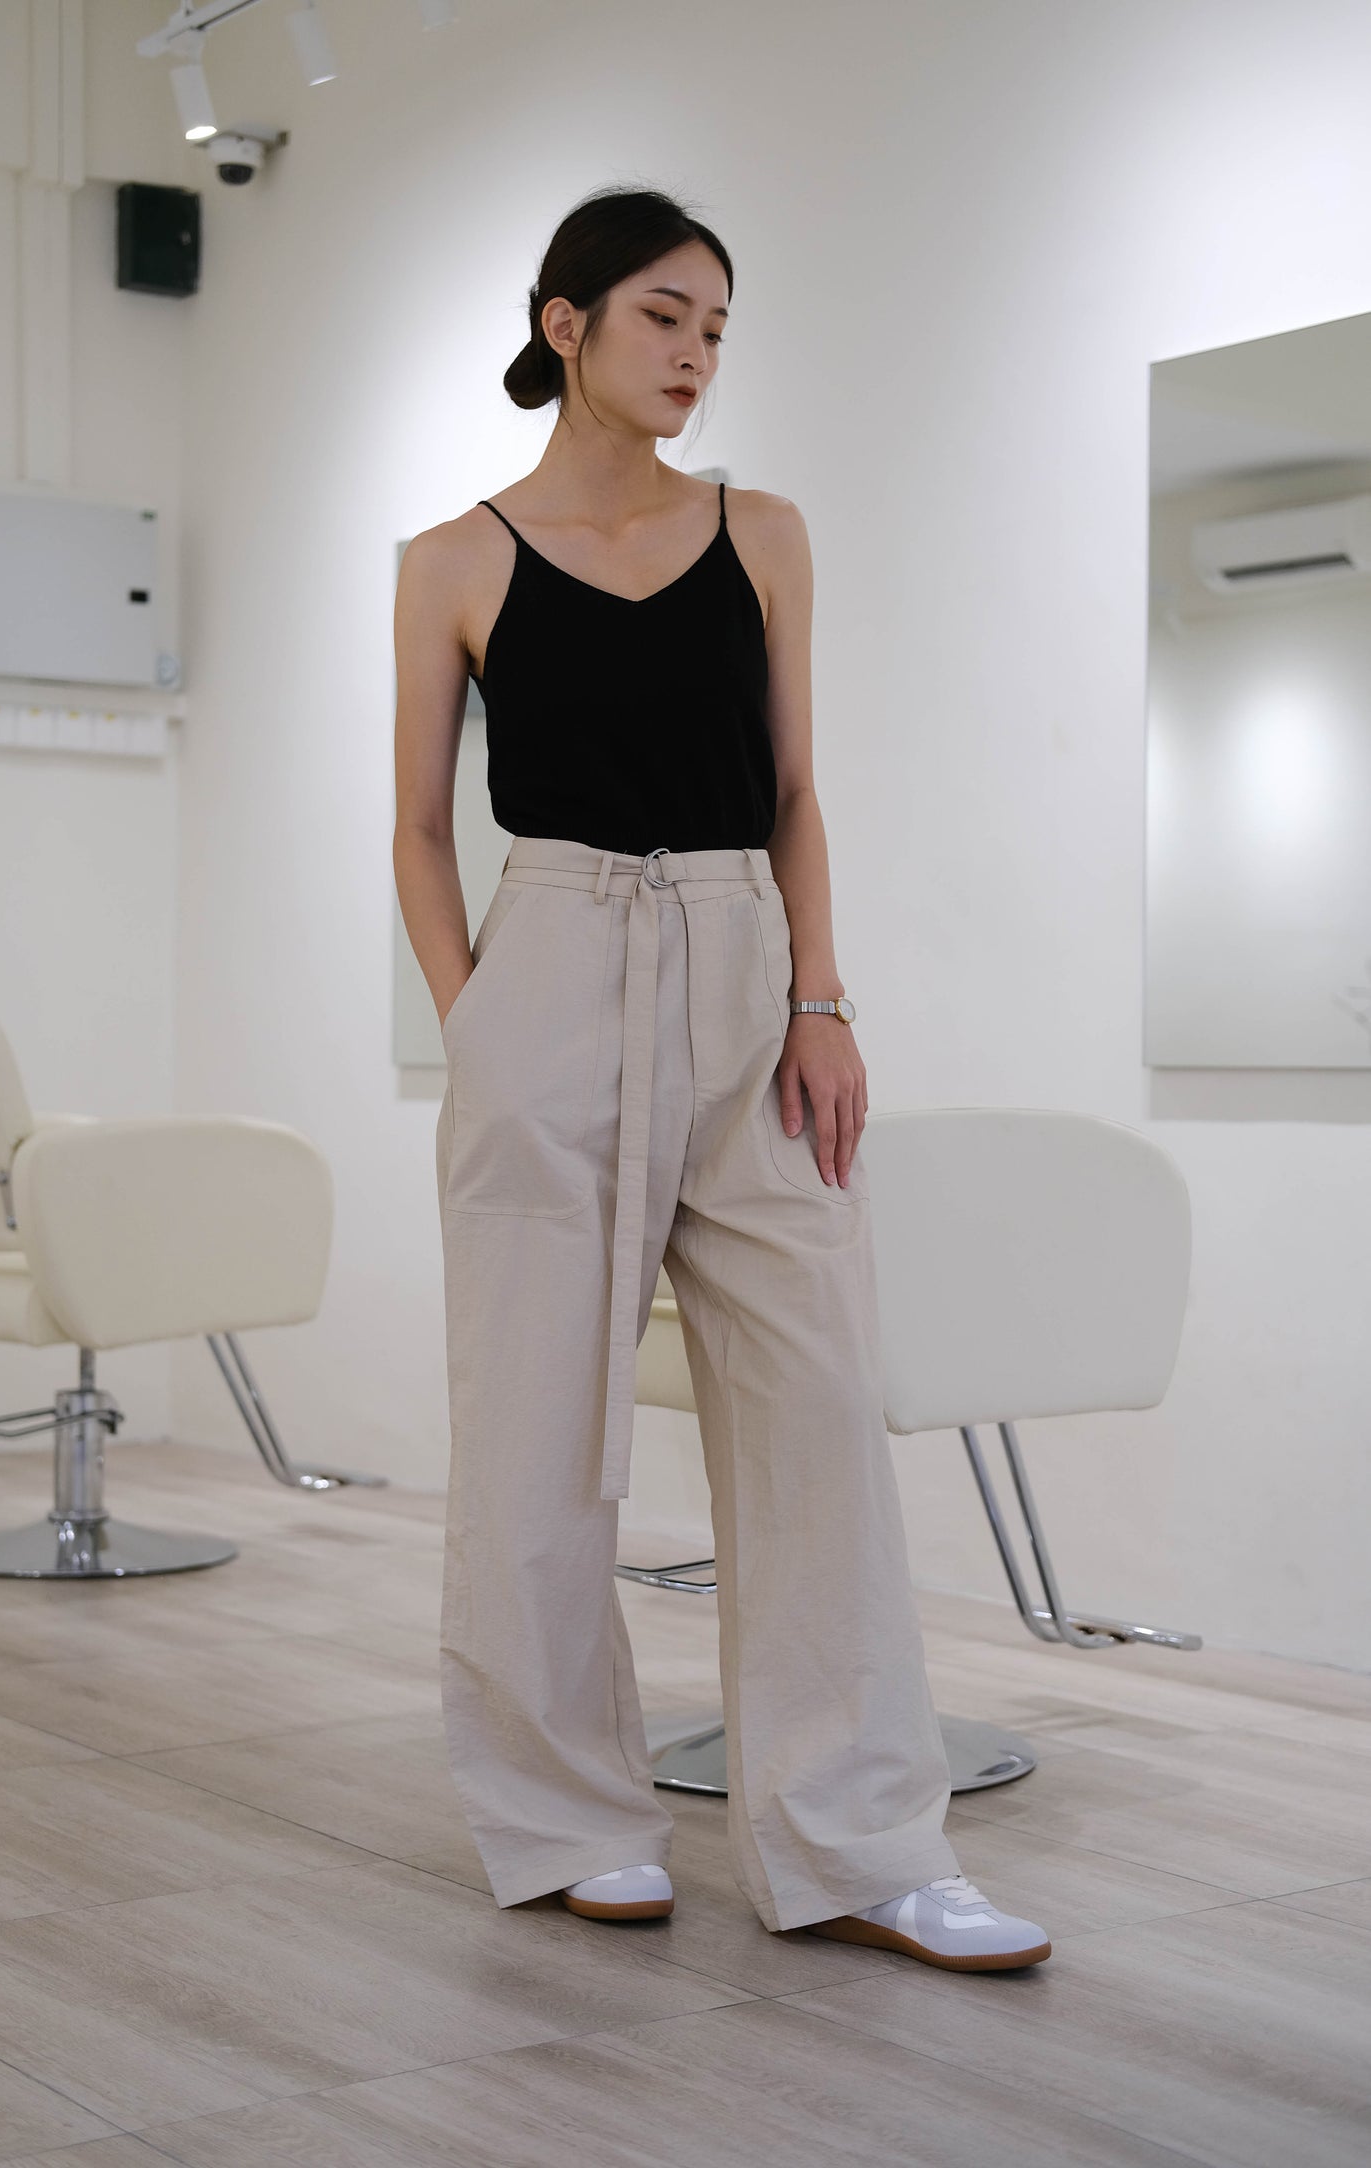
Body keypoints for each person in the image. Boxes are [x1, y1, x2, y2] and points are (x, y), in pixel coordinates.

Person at [392, 183, 1050, 1972]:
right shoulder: (451, 562)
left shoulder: (761, 531)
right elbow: (417, 829)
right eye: (662, 316)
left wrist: (820, 1002)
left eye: (714, 329)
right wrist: (478, 1025)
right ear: (566, 325)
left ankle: (861, 1840)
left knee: (816, 1415)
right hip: (545, 963)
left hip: (742, 963)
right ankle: (566, 1818)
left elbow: (795, 790)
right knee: (531, 1435)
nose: (692, 354)